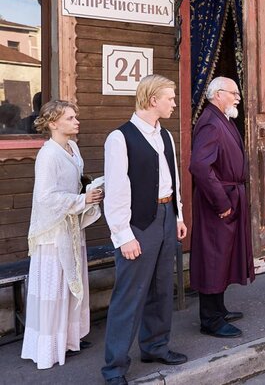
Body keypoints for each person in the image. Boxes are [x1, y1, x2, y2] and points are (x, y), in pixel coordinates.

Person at [102, 75, 188, 385]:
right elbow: (115, 191)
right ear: (153, 100)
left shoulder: (166, 135)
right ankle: (114, 368)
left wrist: (177, 216)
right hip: (138, 223)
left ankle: (155, 347)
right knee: (129, 295)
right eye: (170, 98)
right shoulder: (120, 138)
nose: (174, 103)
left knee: (162, 288)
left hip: (166, 216)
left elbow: (172, 180)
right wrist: (123, 235)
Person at [21, 100, 103, 369]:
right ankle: (48, 348)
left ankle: (69, 339)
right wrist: (81, 200)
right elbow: (45, 198)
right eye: (70, 118)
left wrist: (89, 191)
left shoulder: (73, 147)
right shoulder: (48, 155)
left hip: (71, 225)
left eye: (75, 116)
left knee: (71, 281)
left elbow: (75, 181)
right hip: (54, 232)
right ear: (53, 123)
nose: (76, 121)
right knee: (55, 286)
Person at [190, 76, 253, 338]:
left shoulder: (222, 119)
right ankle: (210, 320)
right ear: (217, 94)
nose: (238, 97)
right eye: (233, 93)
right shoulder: (210, 123)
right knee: (214, 257)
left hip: (229, 196)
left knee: (224, 254)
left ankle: (218, 309)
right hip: (217, 202)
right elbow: (200, 167)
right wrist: (222, 202)